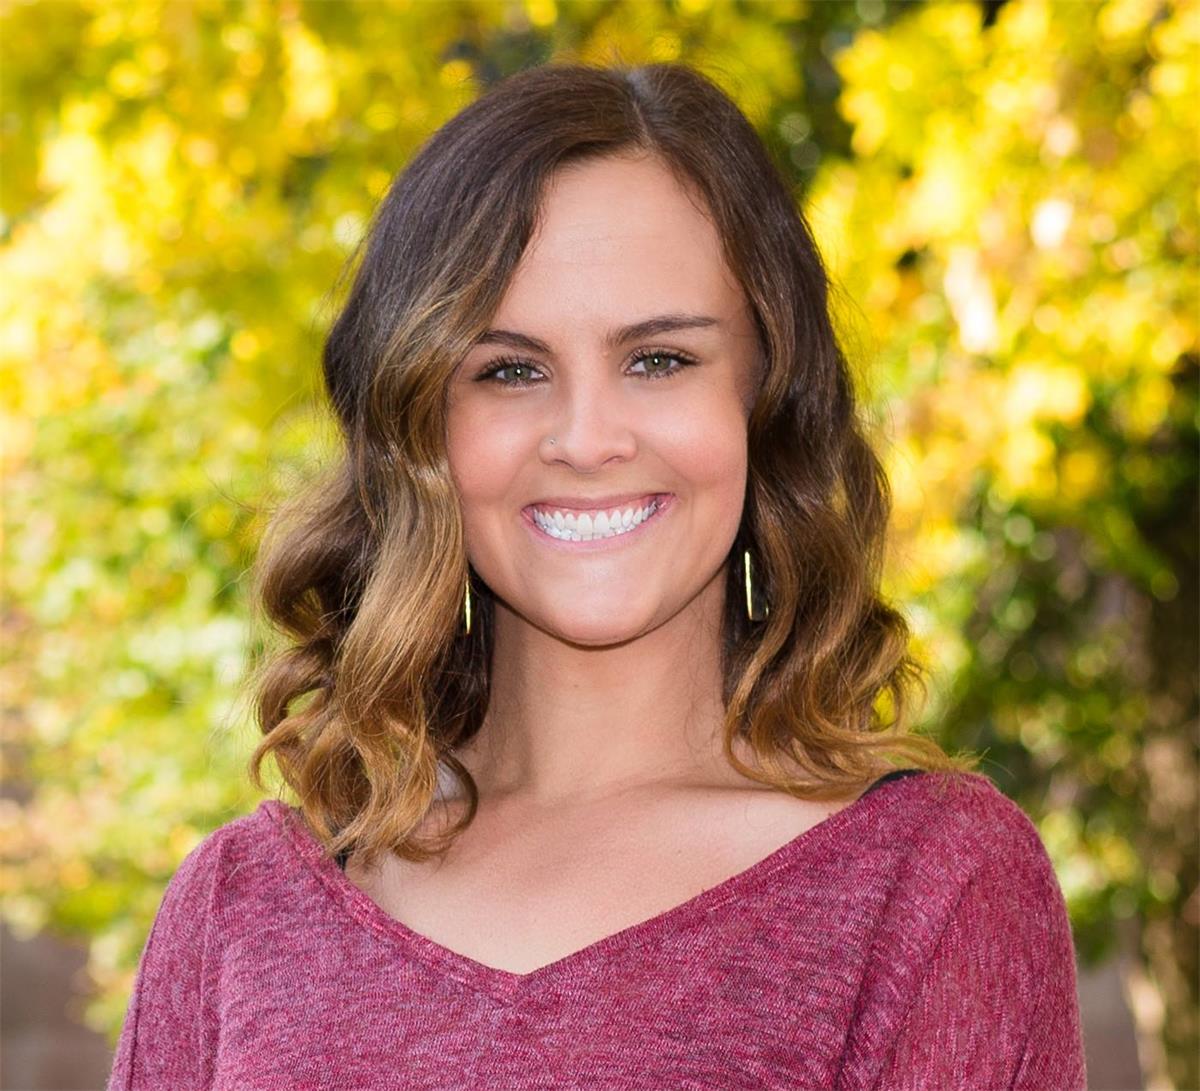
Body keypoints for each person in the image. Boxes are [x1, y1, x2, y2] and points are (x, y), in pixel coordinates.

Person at [107, 61, 1087, 1090]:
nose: (586, 438)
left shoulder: (931, 885)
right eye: (509, 370)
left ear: (767, 398)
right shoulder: (239, 908)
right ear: (419, 427)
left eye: (659, 359)